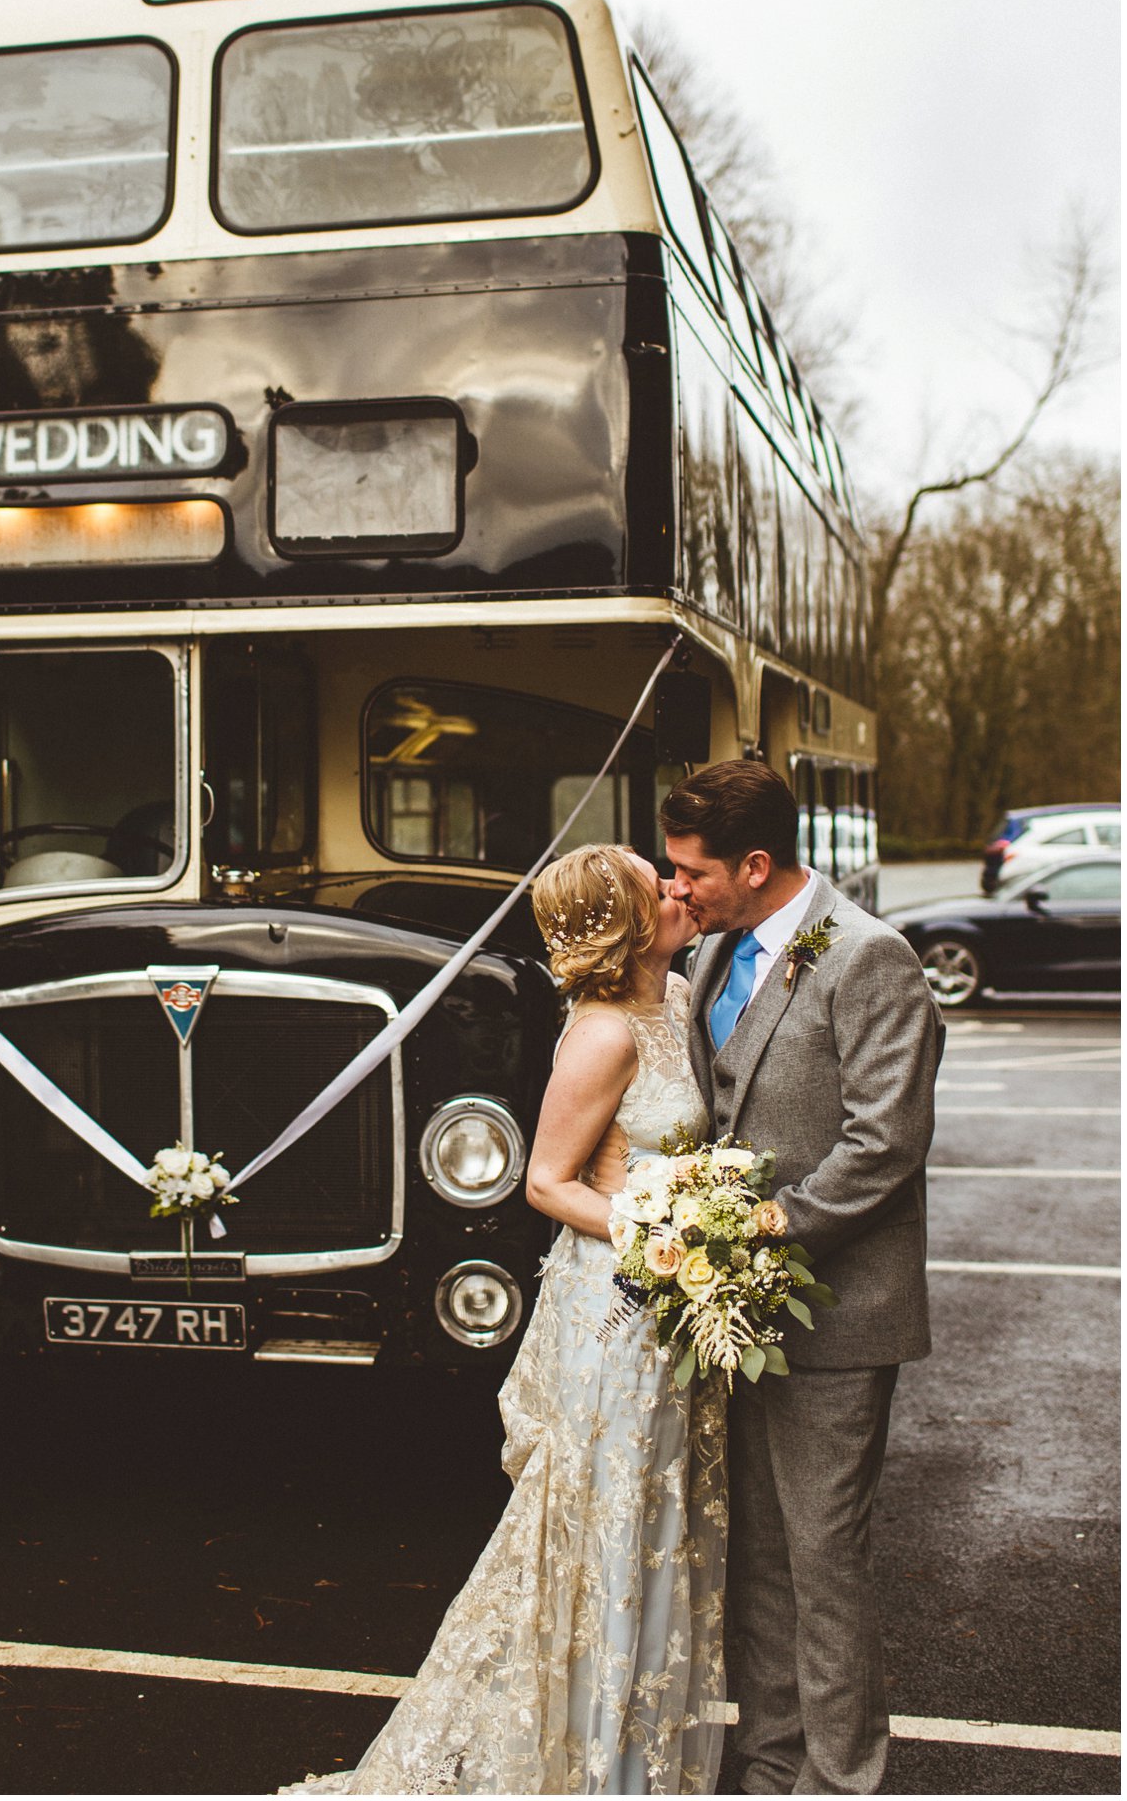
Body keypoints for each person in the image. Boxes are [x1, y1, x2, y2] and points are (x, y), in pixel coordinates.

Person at [283, 844, 727, 1797]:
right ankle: (581, 1765)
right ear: (628, 922)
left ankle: (635, 1751)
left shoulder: (680, 998)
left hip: (664, 1307)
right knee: (603, 1522)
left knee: (653, 1518)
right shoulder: (603, 1035)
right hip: (615, 1308)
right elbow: (545, 1183)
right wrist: (670, 1235)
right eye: (661, 889)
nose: (679, 892)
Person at [659, 761, 943, 1797]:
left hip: (837, 1316)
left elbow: (885, 1142)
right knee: (761, 1562)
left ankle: (841, 1780)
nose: (676, 888)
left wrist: (760, 1237)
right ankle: (771, 1763)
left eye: (692, 871)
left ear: (757, 864)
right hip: (732, 1319)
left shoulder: (872, 959)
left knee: (826, 1563)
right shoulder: (720, 946)